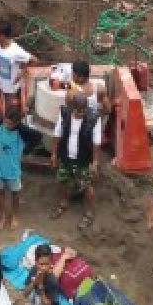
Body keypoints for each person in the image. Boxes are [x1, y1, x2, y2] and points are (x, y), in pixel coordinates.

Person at [50, 92, 101, 230]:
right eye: (78, 111)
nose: (81, 114)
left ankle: (89, 213)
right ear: (72, 107)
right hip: (66, 156)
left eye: (84, 111)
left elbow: (96, 143)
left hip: (83, 158)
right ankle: (63, 203)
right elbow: (57, 135)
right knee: (61, 180)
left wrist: (95, 162)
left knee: (87, 186)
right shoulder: (64, 114)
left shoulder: (94, 118)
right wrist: (54, 154)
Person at [0, 106, 24, 230]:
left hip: (13, 170)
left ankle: (15, 216)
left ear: (16, 123)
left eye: (10, 123)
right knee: (0, 192)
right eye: (5, 121)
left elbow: (22, 149)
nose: (6, 125)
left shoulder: (19, 135)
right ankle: (2, 216)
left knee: (15, 194)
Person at [0, 20, 33, 116]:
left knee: (10, 113)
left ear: (2, 36)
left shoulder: (16, 51)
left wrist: (22, 72)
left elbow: (33, 59)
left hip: (10, 87)